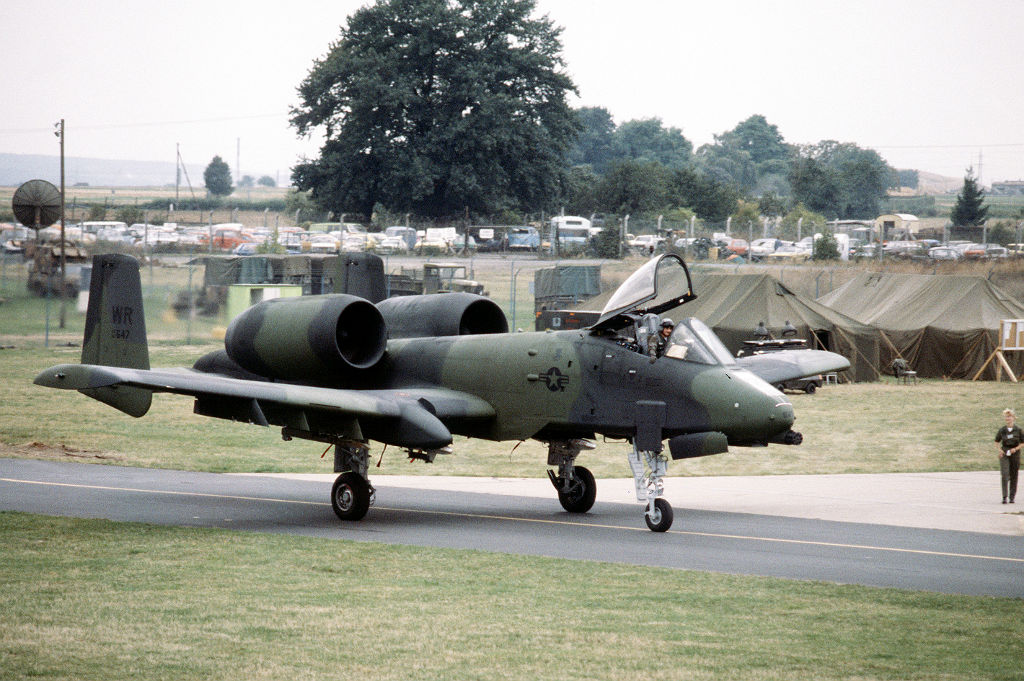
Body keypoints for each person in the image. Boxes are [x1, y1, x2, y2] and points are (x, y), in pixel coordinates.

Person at [995, 408, 1022, 504]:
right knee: (1005, 474)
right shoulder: (1002, 430)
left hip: (1014, 453)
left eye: (1010, 416)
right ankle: (1004, 496)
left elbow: (1022, 443)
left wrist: (1016, 448)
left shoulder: (1018, 430)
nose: (1008, 418)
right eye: (1006, 417)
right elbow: (997, 442)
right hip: (1005, 452)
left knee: (1014, 474)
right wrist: (1000, 450)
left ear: (1013, 418)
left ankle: (1012, 496)